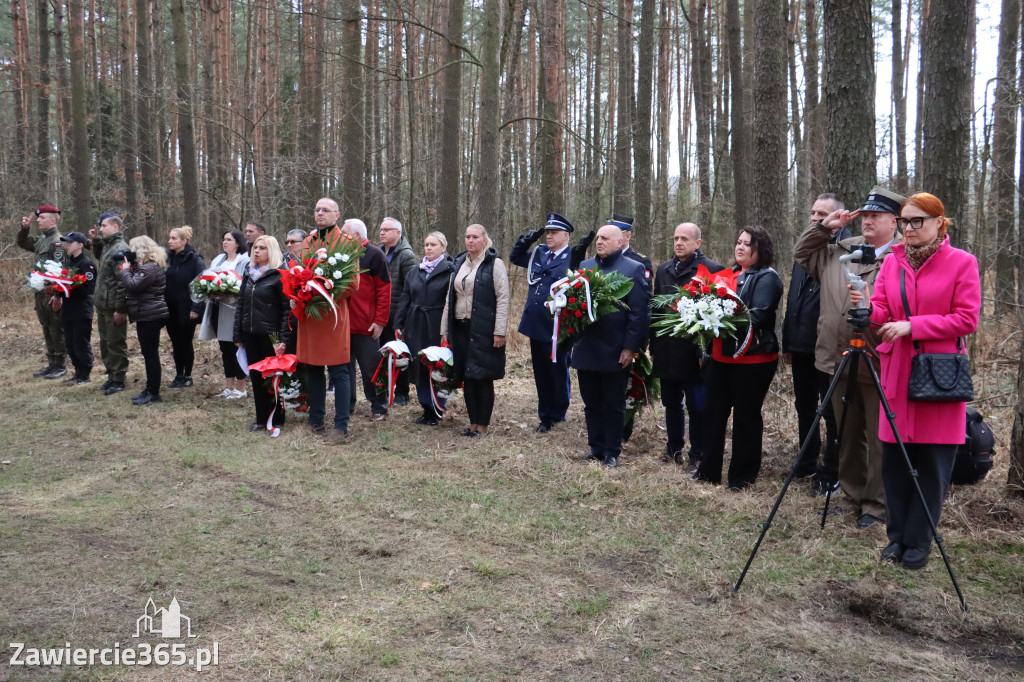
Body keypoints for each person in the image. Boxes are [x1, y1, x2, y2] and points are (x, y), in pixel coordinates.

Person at [851, 192, 980, 570]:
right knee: (895, 463)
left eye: (916, 221)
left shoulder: (962, 262)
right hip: (897, 372)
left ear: (939, 222)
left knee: (932, 466)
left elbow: (967, 318)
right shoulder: (893, 261)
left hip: (940, 376)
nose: (908, 228)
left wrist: (913, 326)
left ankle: (919, 542)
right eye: (904, 221)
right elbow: (883, 309)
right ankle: (896, 539)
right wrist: (866, 307)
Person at [795, 186, 905, 528]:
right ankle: (851, 496)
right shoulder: (840, 250)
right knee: (846, 433)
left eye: (876, 216)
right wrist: (824, 227)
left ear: (894, 222)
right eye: (865, 215)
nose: (868, 221)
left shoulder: (902, 258)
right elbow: (802, 253)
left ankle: (876, 506)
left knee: (879, 437)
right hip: (837, 357)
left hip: (879, 360)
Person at [695, 226, 782, 490]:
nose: (740, 247)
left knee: (746, 418)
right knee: (713, 415)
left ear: (760, 249)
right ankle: (708, 472)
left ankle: (741, 478)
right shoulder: (726, 275)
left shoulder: (767, 277)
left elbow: (758, 315)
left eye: (747, 244)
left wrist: (716, 318)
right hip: (720, 358)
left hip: (753, 360)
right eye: (738, 242)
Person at [783, 193, 850, 493]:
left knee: (832, 412)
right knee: (804, 406)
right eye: (812, 212)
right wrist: (789, 342)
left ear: (838, 217)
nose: (814, 218)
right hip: (801, 346)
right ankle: (807, 459)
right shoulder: (806, 250)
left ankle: (832, 469)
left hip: (829, 346)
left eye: (821, 214)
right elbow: (794, 300)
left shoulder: (847, 250)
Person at [571, 223, 650, 468]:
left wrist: (630, 347)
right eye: (598, 238)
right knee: (591, 402)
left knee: (613, 403)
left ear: (620, 242)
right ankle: (596, 447)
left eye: (605, 238)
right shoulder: (586, 266)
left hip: (615, 350)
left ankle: (611, 451)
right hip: (587, 346)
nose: (599, 242)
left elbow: (639, 314)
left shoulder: (633, 268)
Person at [649, 222, 725, 471]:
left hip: (695, 352)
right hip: (667, 349)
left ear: (697, 243)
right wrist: (653, 345)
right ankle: (673, 447)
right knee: (671, 402)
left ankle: (697, 453)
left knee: (697, 406)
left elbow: (718, 316)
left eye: (684, 239)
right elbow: (657, 310)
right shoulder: (664, 269)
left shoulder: (712, 269)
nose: (679, 243)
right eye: (676, 239)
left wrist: (706, 352)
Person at [298, 198, 359, 443]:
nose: (320, 213)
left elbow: (352, 283)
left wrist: (323, 296)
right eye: (317, 209)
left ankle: (340, 425)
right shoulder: (307, 242)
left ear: (337, 215)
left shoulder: (347, 242)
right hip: (310, 315)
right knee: (313, 368)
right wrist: (300, 294)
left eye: (325, 210)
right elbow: (299, 274)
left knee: (338, 370)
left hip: (332, 315)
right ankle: (316, 419)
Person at [440, 224, 510, 437]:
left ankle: (483, 425)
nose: (470, 241)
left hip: (484, 329)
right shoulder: (459, 263)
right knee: (468, 376)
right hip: (460, 329)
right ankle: (473, 424)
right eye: (467, 237)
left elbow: (503, 298)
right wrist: (444, 331)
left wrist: (499, 331)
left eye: (475, 237)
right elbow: (449, 299)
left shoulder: (494, 263)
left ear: (484, 240)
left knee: (482, 376)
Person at [509, 212, 576, 433]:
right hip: (536, 322)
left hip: (558, 326)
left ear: (566, 235)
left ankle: (558, 414)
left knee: (558, 371)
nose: (549, 236)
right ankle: (545, 414)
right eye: (547, 232)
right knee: (541, 373)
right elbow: (515, 257)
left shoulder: (573, 257)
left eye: (554, 232)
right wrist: (527, 239)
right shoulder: (540, 253)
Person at [394, 232, 455, 426]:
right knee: (418, 366)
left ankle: (437, 408)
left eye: (433, 245)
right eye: (427, 244)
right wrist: (399, 323)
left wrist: (448, 329)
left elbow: (452, 302)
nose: (428, 248)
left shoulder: (450, 271)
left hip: (437, 324)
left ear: (443, 247)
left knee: (437, 366)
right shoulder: (415, 271)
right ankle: (426, 407)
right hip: (415, 323)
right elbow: (405, 298)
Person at [233, 235, 292, 433]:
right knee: (256, 377)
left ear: (271, 251)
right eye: (255, 248)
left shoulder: (280, 275)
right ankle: (260, 419)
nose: (256, 251)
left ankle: (276, 417)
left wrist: (283, 339)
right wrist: (237, 335)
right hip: (250, 333)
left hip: (271, 334)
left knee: (272, 377)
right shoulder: (249, 273)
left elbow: (287, 310)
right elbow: (241, 305)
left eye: (262, 248)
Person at [342, 218, 392, 421]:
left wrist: (380, 321)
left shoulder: (375, 255)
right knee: (344, 369)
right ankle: (346, 404)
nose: (340, 236)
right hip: (343, 324)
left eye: (344, 233)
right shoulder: (340, 256)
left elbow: (385, 290)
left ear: (356, 235)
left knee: (371, 368)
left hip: (367, 324)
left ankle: (379, 406)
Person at [118, 236, 169, 405]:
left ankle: (153, 392)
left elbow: (133, 285)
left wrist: (125, 270)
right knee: (149, 354)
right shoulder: (148, 267)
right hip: (147, 313)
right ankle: (150, 389)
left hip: (150, 315)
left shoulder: (149, 268)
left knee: (150, 354)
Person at [199, 229, 250, 399]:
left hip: (234, 311)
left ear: (238, 243)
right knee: (224, 349)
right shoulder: (218, 259)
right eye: (224, 239)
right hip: (217, 308)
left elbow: (244, 284)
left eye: (229, 239)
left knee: (236, 347)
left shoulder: (244, 260)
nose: (225, 242)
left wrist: (228, 291)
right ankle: (229, 386)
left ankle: (241, 388)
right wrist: (208, 289)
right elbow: (208, 277)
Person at [19, 205, 67, 379]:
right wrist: (25, 228)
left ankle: (60, 364)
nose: (38, 220)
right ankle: (52, 363)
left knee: (56, 327)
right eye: (38, 217)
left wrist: (57, 295)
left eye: (42, 218)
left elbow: (61, 271)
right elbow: (22, 243)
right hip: (40, 292)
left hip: (52, 293)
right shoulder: (41, 240)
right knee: (46, 326)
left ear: (52, 220)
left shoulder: (58, 241)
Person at [89, 212, 131, 396]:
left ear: (115, 227)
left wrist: (121, 308)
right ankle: (111, 376)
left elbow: (123, 282)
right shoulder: (108, 246)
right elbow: (101, 259)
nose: (101, 229)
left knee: (115, 343)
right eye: (100, 226)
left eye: (104, 226)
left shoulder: (120, 249)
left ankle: (119, 379)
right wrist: (96, 241)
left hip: (114, 306)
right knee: (106, 343)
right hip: (103, 305)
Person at [378, 217, 418, 406]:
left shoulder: (406, 255)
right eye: (381, 229)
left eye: (387, 230)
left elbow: (412, 288)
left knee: (399, 355)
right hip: (381, 315)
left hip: (398, 316)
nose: (382, 232)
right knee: (382, 354)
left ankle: (402, 392)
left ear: (398, 233)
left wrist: (403, 318)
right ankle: (383, 390)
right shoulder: (378, 253)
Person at [164, 225, 206, 388]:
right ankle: (178, 374)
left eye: (174, 238)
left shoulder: (195, 259)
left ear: (184, 241)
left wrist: (196, 307)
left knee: (186, 342)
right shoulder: (166, 258)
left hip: (187, 309)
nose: (170, 241)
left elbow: (201, 283)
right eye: (169, 238)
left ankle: (187, 376)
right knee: (175, 343)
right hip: (170, 309)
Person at [57, 232, 97, 385]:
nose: (67, 245)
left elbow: (89, 288)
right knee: (70, 343)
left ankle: (85, 374)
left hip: (81, 309)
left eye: (70, 242)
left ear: (80, 245)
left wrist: (71, 286)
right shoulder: (68, 262)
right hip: (68, 308)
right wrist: (56, 290)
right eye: (66, 242)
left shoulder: (86, 264)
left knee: (80, 342)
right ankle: (77, 372)